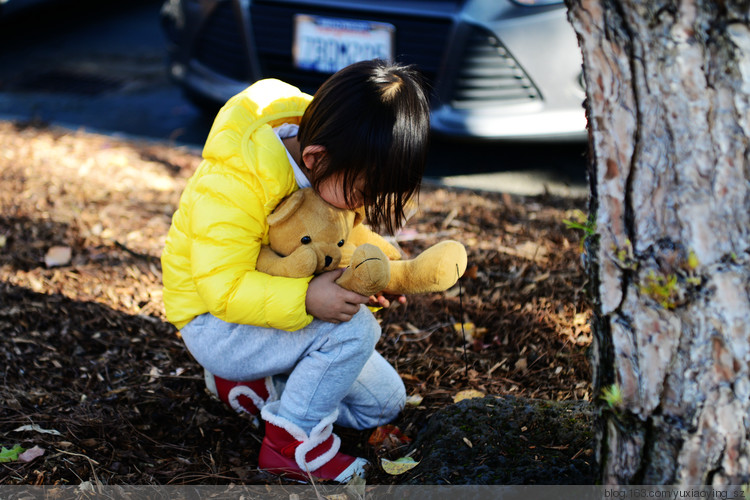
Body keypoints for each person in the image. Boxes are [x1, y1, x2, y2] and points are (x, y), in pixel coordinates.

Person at [161, 59, 431, 483]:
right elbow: (223, 289)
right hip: (215, 322)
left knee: (383, 404)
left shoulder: (335, 153)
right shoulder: (236, 181)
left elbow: (345, 235)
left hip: (267, 314)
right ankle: (292, 446)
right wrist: (307, 299)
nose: (360, 208)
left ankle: (256, 388)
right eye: (362, 193)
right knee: (352, 332)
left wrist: (380, 270)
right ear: (314, 158)